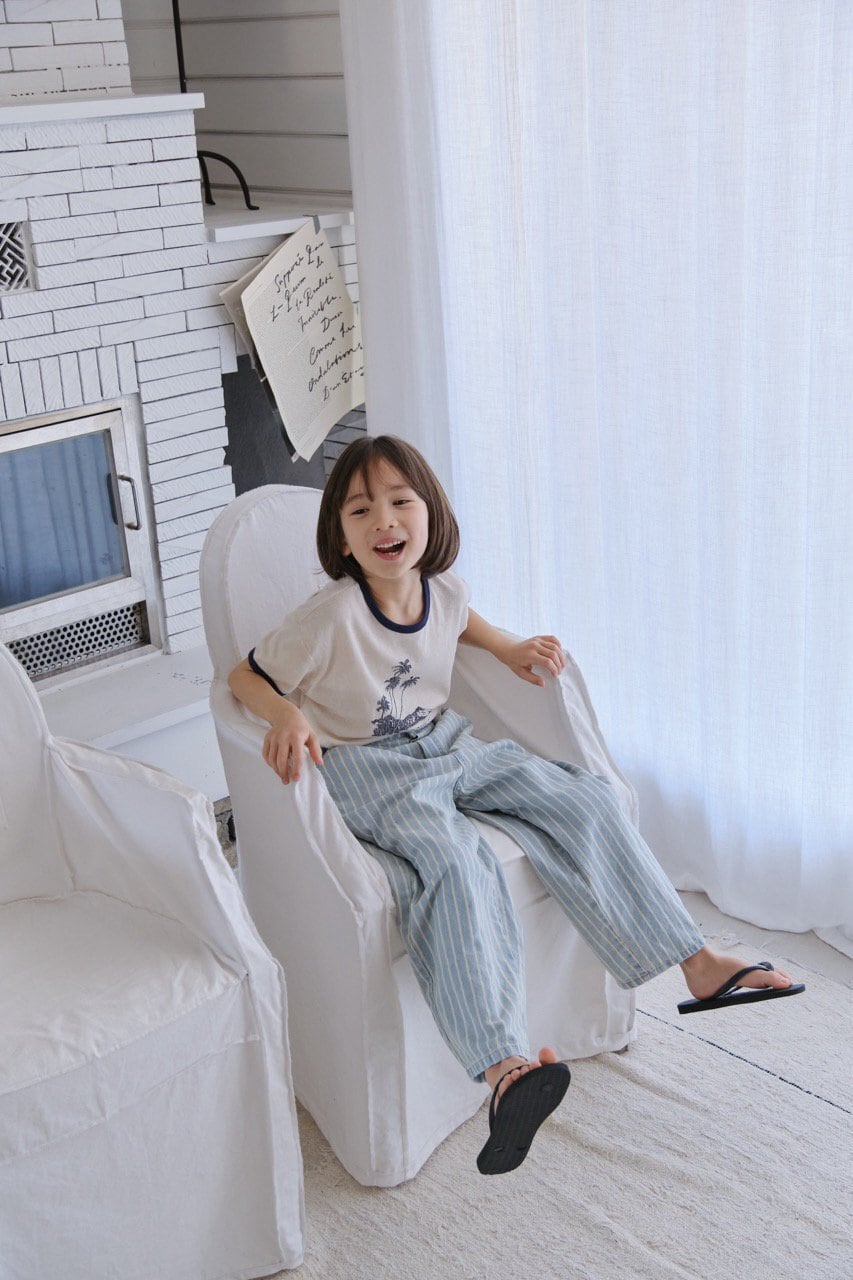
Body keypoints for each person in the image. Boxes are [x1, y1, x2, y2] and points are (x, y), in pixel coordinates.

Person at [228, 434, 803, 1175]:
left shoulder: (444, 591)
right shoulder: (330, 615)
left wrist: (506, 648)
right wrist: (285, 714)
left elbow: (461, 622)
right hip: (368, 769)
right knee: (455, 860)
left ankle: (698, 965)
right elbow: (244, 676)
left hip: (448, 741)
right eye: (361, 510)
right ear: (340, 537)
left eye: (400, 502)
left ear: (430, 514)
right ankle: (505, 1070)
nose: (384, 521)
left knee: (583, 798)